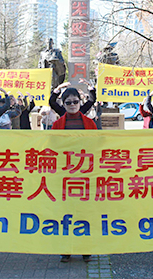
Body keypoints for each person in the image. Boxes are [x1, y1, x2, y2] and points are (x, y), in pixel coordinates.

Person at [51, 87, 96, 262]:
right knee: (66, 214)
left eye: (75, 102)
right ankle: (66, 249)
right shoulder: (57, 125)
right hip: (65, 176)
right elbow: (52, 150)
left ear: (80, 102)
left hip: (85, 176)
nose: (72, 105)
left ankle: (85, 249)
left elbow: (97, 147)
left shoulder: (90, 124)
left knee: (85, 213)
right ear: (63, 104)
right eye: (68, 102)